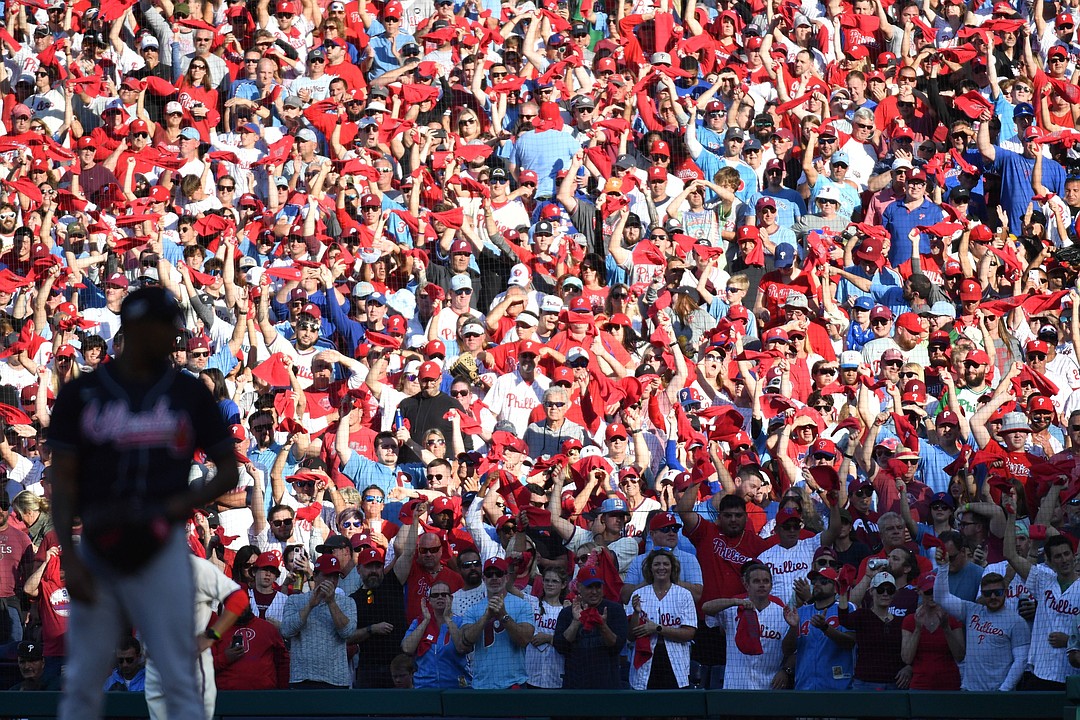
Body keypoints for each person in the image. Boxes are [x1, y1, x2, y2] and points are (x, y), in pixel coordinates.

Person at [51, 288, 240, 720]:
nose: (174, 340)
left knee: (179, 675)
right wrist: (69, 555)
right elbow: (61, 483)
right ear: (136, 329)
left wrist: (179, 504)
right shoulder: (84, 392)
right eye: (166, 330)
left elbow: (228, 470)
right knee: (82, 679)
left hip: (163, 547)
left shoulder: (189, 393)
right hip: (99, 547)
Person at [280, 553, 358, 688]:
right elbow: (286, 631)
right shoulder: (295, 600)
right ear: (315, 576)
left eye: (335, 576)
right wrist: (310, 605)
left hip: (336, 679)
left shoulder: (347, 602)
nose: (332, 581)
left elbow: (348, 633)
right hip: (302, 678)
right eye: (327, 575)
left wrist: (331, 602)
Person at [627, 550, 697, 690]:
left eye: (666, 564)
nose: (661, 567)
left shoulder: (684, 595)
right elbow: (630, 635)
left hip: (676, 660)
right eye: (657, 564)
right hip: (646, 661)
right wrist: (636, 613)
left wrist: (658, 629)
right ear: (650, 568)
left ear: (672, 568)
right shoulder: (638, 594)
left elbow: (689, 634)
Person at [460, 557, 535, 689]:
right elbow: (465, 641)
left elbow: (524, 640)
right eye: (489, 574)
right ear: (483, 578)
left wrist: (503, 615)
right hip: (482, 685)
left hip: (513, 684)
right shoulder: (473, 609)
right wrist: (486, 617)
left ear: (506, 577)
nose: (494, 578)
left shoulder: (522, 605)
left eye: (499, 574)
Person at [552, 565, 629, 689]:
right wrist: (576, 622)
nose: (594, 592)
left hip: (607, 687)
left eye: (598, 587)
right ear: (578, 587)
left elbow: (617, 647)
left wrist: (602, 626)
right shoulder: (567, 613)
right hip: (575, 686)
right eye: (589, 587)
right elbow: (560, 647)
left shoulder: (615, 610)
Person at [400, 580, 470, 688]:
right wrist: (426, 621)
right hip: (424, 687)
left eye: (444, 595)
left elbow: (461, 648)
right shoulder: (418, 622)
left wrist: (447, 618)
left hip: (455, 686)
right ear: (430, 600)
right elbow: (407, 648)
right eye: (435, 595)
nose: (440, 597)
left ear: (451, 598)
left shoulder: (461, 622)